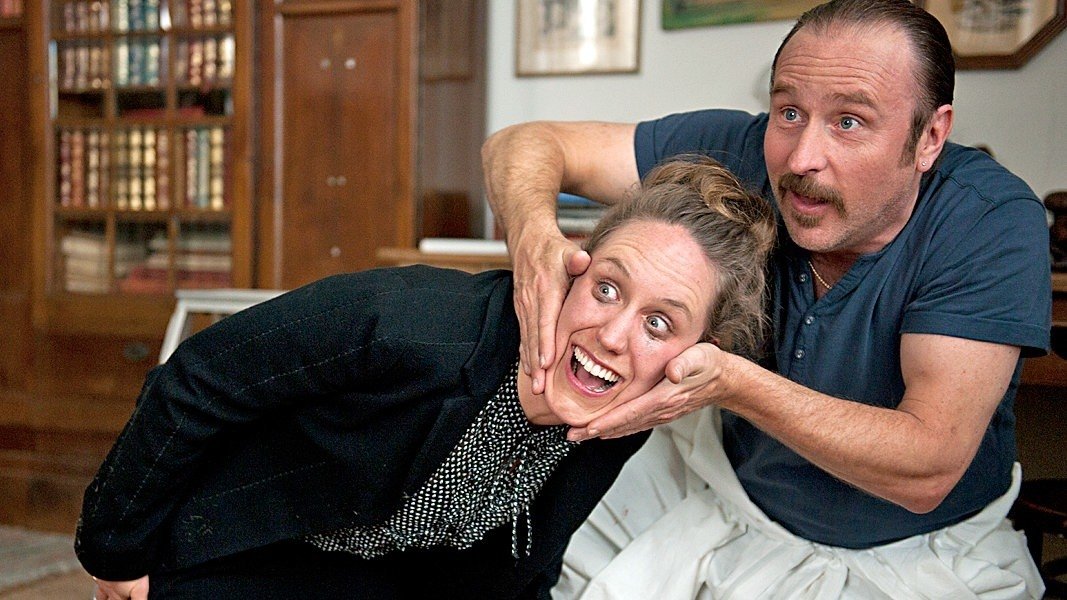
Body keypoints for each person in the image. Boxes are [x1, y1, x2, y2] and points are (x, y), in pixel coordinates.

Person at [481, 0, 1051, 597]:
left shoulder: (990, 221)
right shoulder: (741, 149)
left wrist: (733, 384)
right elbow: (520, 144)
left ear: (930, 136)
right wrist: (532, 237)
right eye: (789, 112)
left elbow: (927, 469)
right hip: (726, 495)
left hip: (915, 553)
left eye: (849, 122)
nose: (801, 158)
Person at [75, 156, 776, 600]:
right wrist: (117, 556)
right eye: (607, 289)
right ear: (573, 266)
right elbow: (197, 380)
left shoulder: (621, 414)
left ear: (693, 357)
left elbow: (528, 564)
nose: (614, 336)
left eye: (659, 323)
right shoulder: (409, 322)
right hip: (230, 546)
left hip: (365, 579)